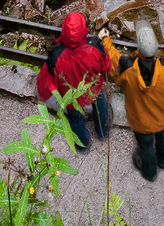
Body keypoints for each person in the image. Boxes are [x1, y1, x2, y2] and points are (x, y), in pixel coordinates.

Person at [99, 20, 164, 182]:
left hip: (140, 119)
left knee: (145, 146)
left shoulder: (127, 67)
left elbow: (113, 59)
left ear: (139, 49)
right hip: (161, 116)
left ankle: (150, 173)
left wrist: (105, 39)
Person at [37, 10, 111, 152]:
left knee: (75, 118)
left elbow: (47, 81)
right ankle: (103, 132)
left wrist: (44, 95)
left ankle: (83, 145)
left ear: (64, 31)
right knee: (100, 103)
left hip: (71, 96)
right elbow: (106, 66)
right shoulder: (95, 45)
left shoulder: (56, 54)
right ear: (83, 29)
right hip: (93, 88)